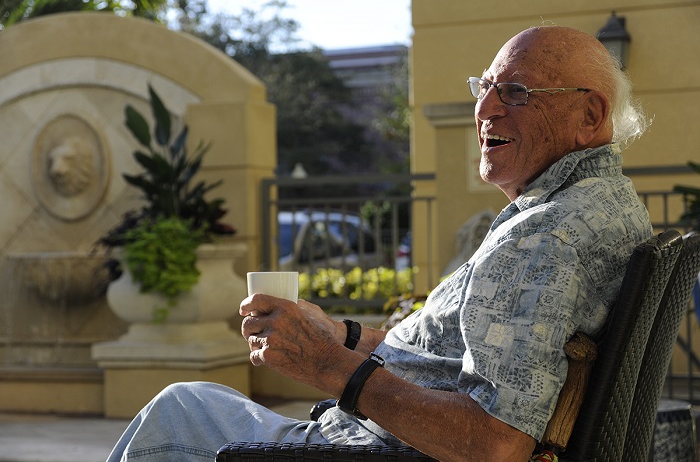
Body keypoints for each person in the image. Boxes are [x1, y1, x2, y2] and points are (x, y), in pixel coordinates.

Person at [107, 25, 653, 462]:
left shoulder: (545, 235)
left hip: (366, 449)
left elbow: (494, 445)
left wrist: (329, 365)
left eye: (515, 91)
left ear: (589, 116)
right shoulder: (601, 203)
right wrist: (344, 335)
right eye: (484, 87)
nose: (485, 109)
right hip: (378, 435)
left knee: (179, 408)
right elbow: (459, 359)